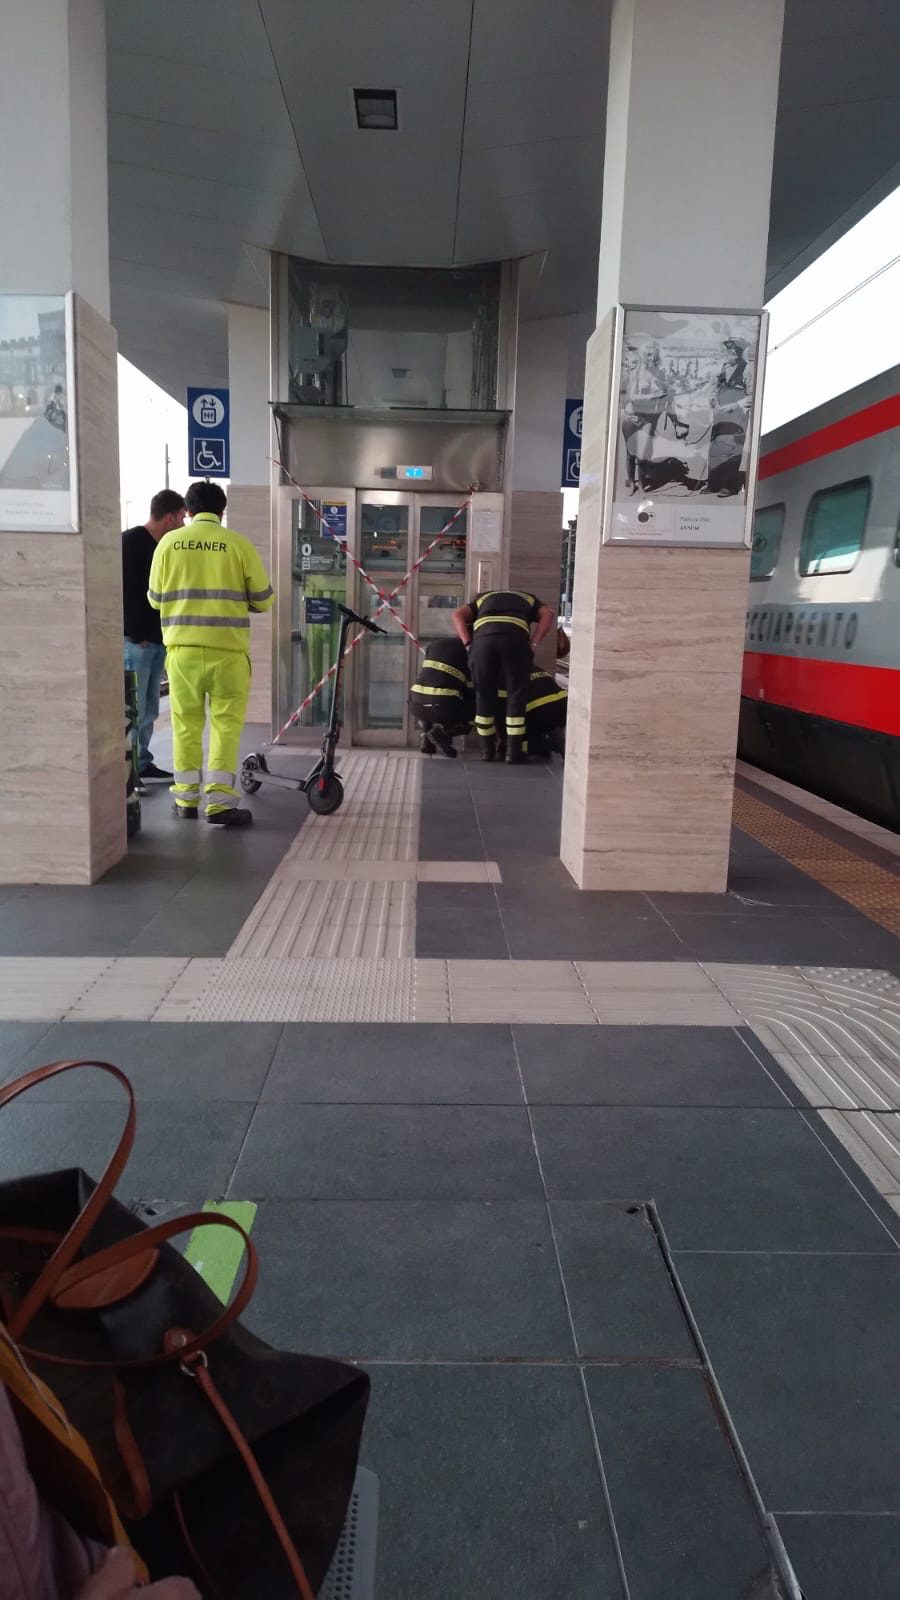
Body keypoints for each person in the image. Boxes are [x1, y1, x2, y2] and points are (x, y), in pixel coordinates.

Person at [148, 481, 274, 827]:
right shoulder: (238, 544)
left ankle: (186, 799)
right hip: (228, 654)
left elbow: (155, 599)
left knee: (185, 726)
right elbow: (264, 599)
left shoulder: (168, 544)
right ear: (223, 510)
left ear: (187, 511)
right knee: (225, 726)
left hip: (183, 653)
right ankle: (219, 803)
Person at [122, 490, 186, 789]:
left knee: (149, 707)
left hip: (157, 640)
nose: (184, 524)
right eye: (182, 517)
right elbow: (125, 591)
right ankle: (129, 771)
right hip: (138, 643)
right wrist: (137, 634)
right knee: (134, 709)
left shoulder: (163, 547)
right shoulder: (132, 542)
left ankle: (142, 762)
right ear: (170, 516)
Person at [452, 588, 555, 764]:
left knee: (483, 694)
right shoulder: (529, 598)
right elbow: (548, 614)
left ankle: (487, 751)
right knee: (516, 694)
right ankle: (513, 752)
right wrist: (534, 642)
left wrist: (468, 643)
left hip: (483, 643)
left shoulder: (481, 599)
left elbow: (457, 615)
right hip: (515, 641)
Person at [410, 636, 475, 758]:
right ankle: (444, 733)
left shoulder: (436, 644)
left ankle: (426, 738)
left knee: (431, 704)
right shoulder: (470, 651)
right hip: (441, 707)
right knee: (476, 711)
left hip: (415, 703)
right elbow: (470, 689)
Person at [497, 667, 568, 760]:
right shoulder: (535, 668)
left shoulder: (505, 674)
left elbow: (503, 709)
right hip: (564, 706)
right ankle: (556, 739)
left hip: (540, 711)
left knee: (519, 742)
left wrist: (504, 741)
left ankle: (547, 743)